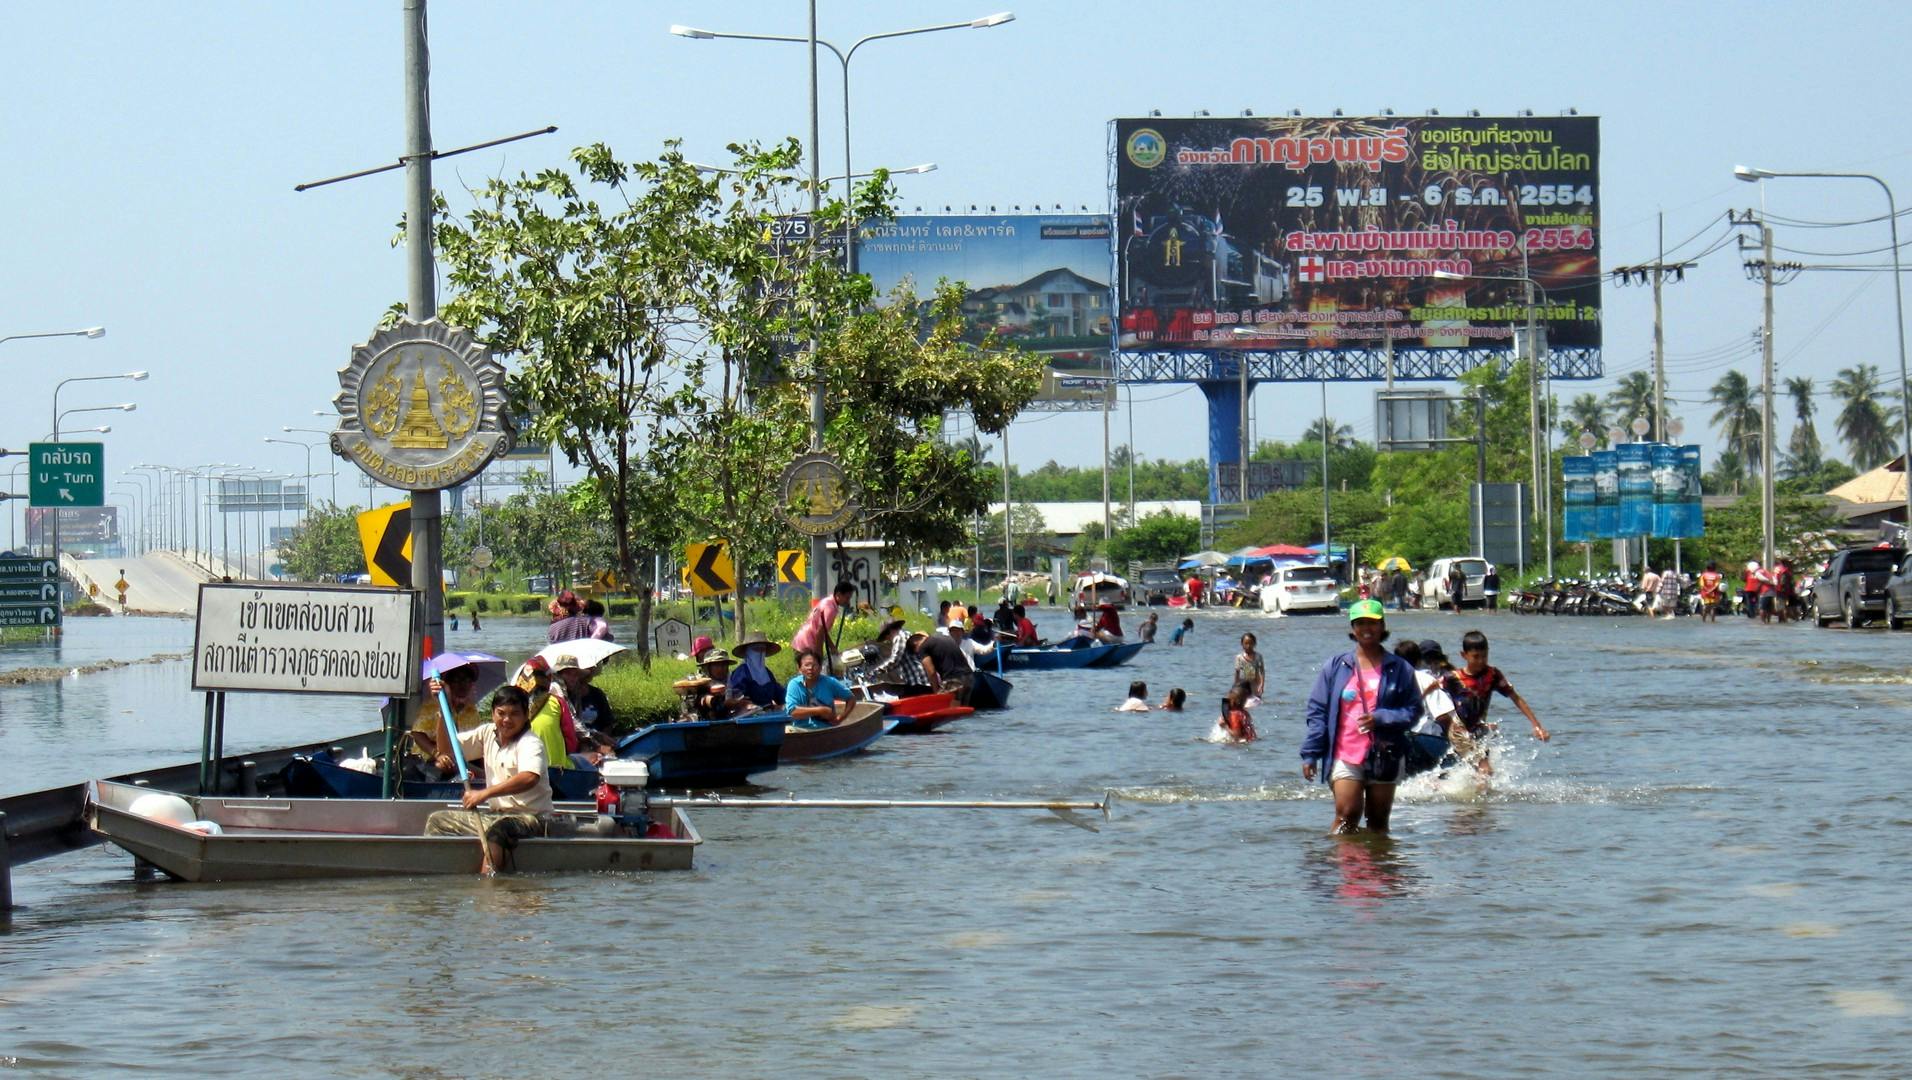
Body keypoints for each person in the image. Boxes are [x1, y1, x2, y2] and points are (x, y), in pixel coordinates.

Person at [1299, 599, 1425, 834]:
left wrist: (1382, 718)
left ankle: (1376, 869)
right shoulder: (1336, 666)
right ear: (1352, 628)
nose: (1367, 629)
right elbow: (1318, 712)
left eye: (1373, 623)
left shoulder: (1399, 668)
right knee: (1347, 815)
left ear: (1383, 626)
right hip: (1344, 753)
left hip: (1385, 753)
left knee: (1378, 821)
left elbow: (1414, 711)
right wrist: (1310, 754)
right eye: (1360, 623)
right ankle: (1339, 865)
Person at [423, 685, 555, 875]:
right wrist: (445, 711)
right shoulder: (487, 733)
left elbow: (529, 778)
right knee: (437, 820)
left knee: (498, 831)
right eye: (501, 713)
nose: (507, 720)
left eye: (514, 714)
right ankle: (437, 877)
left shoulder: (530, 743)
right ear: (493, 714)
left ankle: (489, 885)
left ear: (526, 715)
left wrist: (484, 794)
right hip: (495, 815)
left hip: (531, 818)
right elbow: (446, 750)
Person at [1448, 629, 1551, 776]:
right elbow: (1431, 689)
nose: (1481, 661)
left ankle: (1447, 789)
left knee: (1484, 775)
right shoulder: (1455, 677)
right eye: (1476, 657)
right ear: (1464, 655)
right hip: (1459, 731)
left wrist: (1537, 725)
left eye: (1484, 656)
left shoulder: (1493, 675)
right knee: (1485, 770)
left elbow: (1516, 697)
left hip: (1478, 730)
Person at [406, 662, 484, 779]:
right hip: (430, 758)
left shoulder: (471, 709)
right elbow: (417, 734)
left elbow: (471, 741)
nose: (462, 685)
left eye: (466, 680)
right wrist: (437, 754)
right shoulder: (432, 705)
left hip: (459, 757)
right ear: (449, 684)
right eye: (457, 680)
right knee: (444, 765)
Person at [793, 581, 856, 671]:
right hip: (806, 643)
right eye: (847, 598)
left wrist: (832, 647)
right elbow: (820, 631)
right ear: (838, 594)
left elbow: (824, 631)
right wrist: (819, 655)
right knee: (809, 676)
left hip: (804, 640)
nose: (848, 601)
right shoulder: (829, 608)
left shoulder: (829, 602)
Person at [784, 649, 854, 728]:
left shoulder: (830, 682)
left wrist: (841, 717)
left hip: (827, 730)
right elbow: (792, 712)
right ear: (799, 668)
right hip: (802, 731)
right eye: (806, 665)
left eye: (814, 665)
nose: (810, 668)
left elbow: (851, 698)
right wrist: (820, 710)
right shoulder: (794, 685)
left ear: (820, 667)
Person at [863, 619, 930, 690]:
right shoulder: (906, 635)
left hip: (918, 679)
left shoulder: (900, 637)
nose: (887, 639)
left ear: (889, 632)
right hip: (917, 679)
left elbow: (894, 661)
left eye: (885, 636)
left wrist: (874, 672)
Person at [728, 630, 785, 708]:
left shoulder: (767, 673)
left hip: (770, 714)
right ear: (748, 652)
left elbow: (779, 693)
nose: (760, 653)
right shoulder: (741, 672)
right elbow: (737, 698)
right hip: (749, 716)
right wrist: (750, 705)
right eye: (756, 649)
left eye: (763, 649)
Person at [912, 629, 972, 701]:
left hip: (953, 680)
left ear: (915, 644)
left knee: (944, 707)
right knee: (962, 709)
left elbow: (931, 672)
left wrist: (936, 692)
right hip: (969, 677)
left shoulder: (923, 647)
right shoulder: (946, 638)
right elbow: (963, 657)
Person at [687, 647, 746, 720]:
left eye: (723, 665)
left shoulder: (732, 681)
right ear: (708, 667)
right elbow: (702, 700)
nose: (720, 668)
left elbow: (739, 696)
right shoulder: (700, 684)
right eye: (716, 665)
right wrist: (713, 701)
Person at [1233, 632, 1266, 702]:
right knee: (1244, 702)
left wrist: (1262, 685)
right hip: (1243, 684)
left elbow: (1262, 671)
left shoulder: (1258, 657)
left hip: (1255, 684)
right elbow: (1237, 673)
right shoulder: (1239, 657)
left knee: (1257, 702)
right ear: (1242, 644)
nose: (1248, 646)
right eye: (1246, 643)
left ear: (1255, 644)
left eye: (1251, 643)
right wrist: (1235, 687)